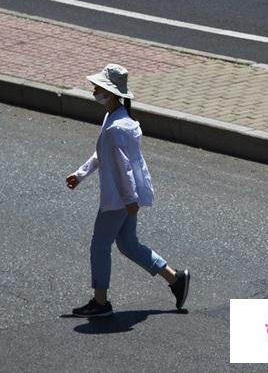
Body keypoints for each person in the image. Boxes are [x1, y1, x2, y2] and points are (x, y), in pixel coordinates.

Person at [66, 63, 190, 318]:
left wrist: (130, 199)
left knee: (100, 245)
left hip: (118, 198)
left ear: (111, 93)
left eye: (98, 88)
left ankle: (100, 303)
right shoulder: (118, 118)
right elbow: (104, 155)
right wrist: (80, 175)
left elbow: (124, 168)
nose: (94, 91)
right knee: (127, 244)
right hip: (125, 197)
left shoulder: (115, 127)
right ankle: (175, 278)